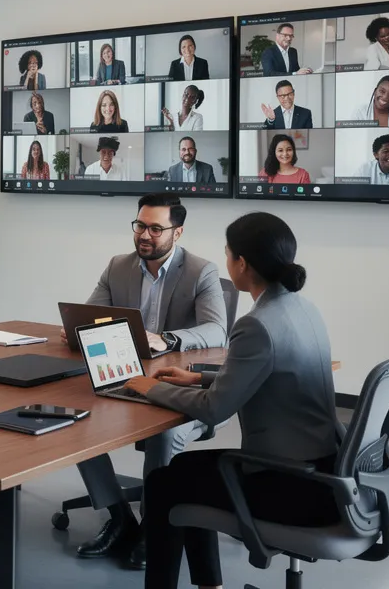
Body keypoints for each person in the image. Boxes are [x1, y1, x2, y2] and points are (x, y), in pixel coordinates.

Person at [128, 212, 340, 589]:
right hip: (322, 469)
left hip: (287, 483)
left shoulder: (256, 324)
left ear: (241, 263)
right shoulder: (303, 308)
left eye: (228, 254)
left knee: (167, 484)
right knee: (185, 474)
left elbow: (215, 409)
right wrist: (198, 377)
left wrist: (148, 387)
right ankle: (209, 584)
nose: (226, 261)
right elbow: (267, 373)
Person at [61, 192, 227, 570]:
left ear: (177, 232)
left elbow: (217, 330)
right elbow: (91, 314)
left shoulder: (201, 271)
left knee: (164, 434)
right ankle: (120, 518)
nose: (144, 235)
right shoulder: (118, 266)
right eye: (139, 225)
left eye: (155, 228)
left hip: (182, 385)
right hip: (129, 379)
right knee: (77, 417)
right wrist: (76, 328)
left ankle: (156, 528)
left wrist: (167, 339)